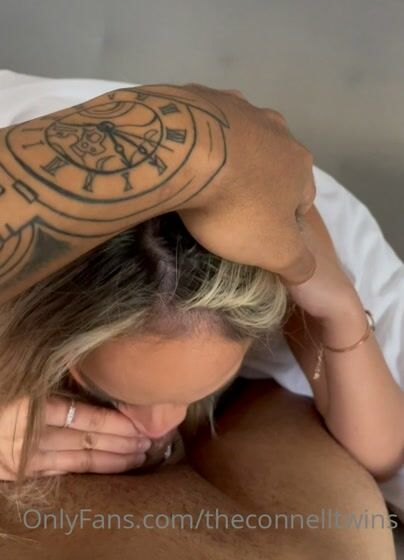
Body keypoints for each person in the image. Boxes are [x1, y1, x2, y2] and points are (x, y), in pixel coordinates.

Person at [0, 75, 401, 559]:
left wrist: (339, 308)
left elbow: (382, 456)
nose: (158, 427)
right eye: (118, 392)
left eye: (197, 391)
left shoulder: (305, 238)